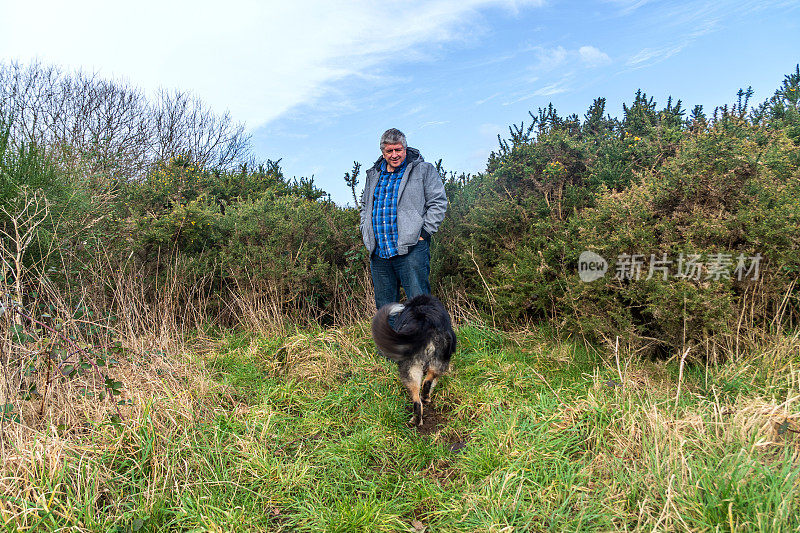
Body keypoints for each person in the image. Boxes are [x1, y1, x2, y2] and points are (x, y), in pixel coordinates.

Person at [360, 128, 448, 312]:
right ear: (383, 153)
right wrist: (365, 232)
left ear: (405, 149)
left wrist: (423, 233)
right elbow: (365, 207)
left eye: (398, 150)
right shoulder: (373, 175)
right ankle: (391, 342)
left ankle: (426, 341)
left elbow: (438, 202)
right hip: (380, 253)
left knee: (420, 305)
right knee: (386, 310)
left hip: (412, 249)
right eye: (389, 151)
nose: (394, 155)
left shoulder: (423, 170)